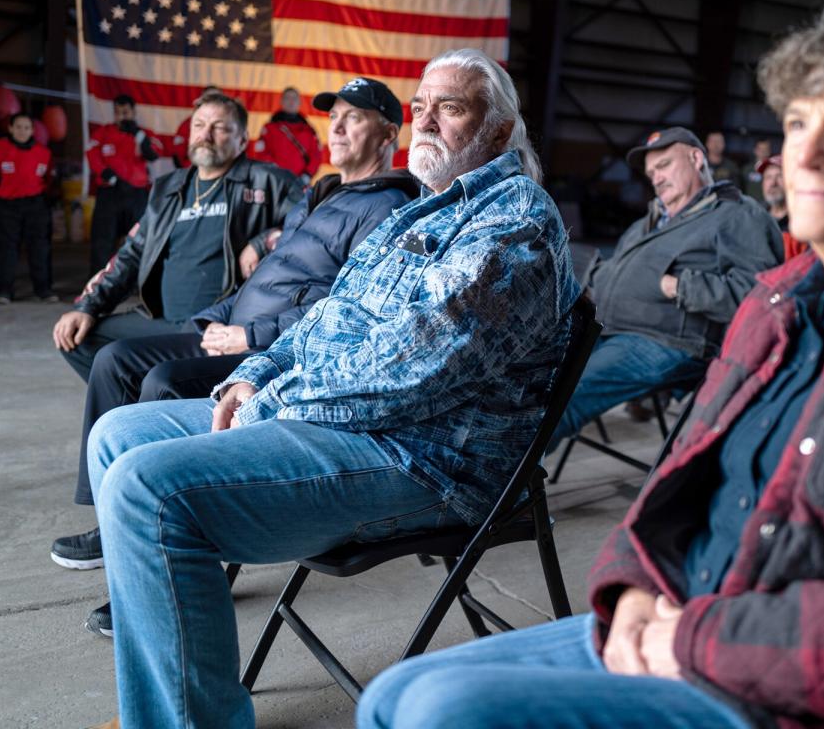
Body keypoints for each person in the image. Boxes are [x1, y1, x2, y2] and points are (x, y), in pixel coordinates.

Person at [357, 0, 824, 729]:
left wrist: (693, 640)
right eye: (795, 125)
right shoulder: (780, 300)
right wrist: (629, 588)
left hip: (805, 689)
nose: (803, 157)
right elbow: (676, 480)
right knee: (393, 693)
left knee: (438, 713)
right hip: (684, 617)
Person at [83, 48, 578, 729]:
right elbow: (327, 319)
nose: (426, 120)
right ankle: (170, 702)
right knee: (117, 436)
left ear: (496, 130)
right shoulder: (419, 210)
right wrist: (255, 372)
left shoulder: (511, 221)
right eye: (420, 106)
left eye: (451, 107)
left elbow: (413, 369)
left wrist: (274, 401)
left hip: (427, 457)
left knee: (148, 490)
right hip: (349, 422)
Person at [49, 79, 415, 621]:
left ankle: (172, 568)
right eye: (333, 115)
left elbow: (349, 310)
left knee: (163, 382)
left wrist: (252, 338)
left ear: (387, 134)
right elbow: (262, 277)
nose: (335, 126)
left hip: (278, 352)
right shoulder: (321, 194)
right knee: (115, 359)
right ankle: (118, 524)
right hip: (232, 329)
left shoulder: (383, 207)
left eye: (353, 117)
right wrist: (214, 319)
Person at [551, 126, 782, 447]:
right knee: (528, 377)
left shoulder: (737, 215)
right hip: (605, 329)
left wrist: (679, 286)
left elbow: (760, 295)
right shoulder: (646, 222)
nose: (656, 178)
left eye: (664, 166)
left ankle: (502, 489)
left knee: (562, 397)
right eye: (650, 173)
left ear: (696, 158)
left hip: (670, 341)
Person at [52, 93, 301, 387]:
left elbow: (313, 231)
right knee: (78, 338)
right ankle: (136, 414)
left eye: (219, 127)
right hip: (158, 319)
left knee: (148, 376)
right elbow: (132, 254)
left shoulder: (270, 181)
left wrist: (264, 240)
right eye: (199, 125)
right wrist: (88, 306)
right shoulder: (168, 188)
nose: (205, 135)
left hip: (215, 324)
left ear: (242, 140)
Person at [0, 112, 55, 303]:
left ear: (33, 130)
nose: (23, 131)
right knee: (5, 249)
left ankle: (43, 289)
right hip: (6, 206)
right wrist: (1, 191)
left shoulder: (43, 152)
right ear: (11, 128)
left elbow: (49, 179)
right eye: (19, 127)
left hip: (35, 205)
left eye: (27, 128)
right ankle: (4, 290)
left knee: (39, 247)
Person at [86, 94, 164, 271]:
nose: (122, 116)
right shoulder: (103, 133)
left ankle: (139, 283)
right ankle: (98, 283)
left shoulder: (143, 134)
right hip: (110, 193)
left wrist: (140, 137)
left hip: (136, 194)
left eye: (126, 112)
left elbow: (155, 153)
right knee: (102, 240)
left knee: (139, 240)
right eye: (118, 112)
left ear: (133, 112)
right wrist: (105, 172)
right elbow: (91, 153)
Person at [248, 86, 323, 185]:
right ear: (282, 102)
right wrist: (276, 174)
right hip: (275, 183)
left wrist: (307, 175)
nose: (291, 102)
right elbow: (261, 154)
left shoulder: (309, 131)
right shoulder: (270, 128)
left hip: (300, 184)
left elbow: (316, 156)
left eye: (294, 98)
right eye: (288, 98)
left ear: (299, 103)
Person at [759, 153, 808, 260]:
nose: (773, 183)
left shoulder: (804, 222)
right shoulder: (756, 219)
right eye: (768, 177)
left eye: (779, 176)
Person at [168, 85, 224, 168]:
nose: (213, 102)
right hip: (195, 173)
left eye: (216, 99)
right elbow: (177, 155)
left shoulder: (231, 125)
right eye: (209, 99)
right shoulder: (188, 124)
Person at [740, 136, 772, 201]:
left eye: (766, 149)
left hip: (768, 207)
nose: (763, 152)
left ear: (769, 151)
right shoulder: (747, 170)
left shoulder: (773, 170)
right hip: (750, 207)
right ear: (755, 151)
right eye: (760, 149)